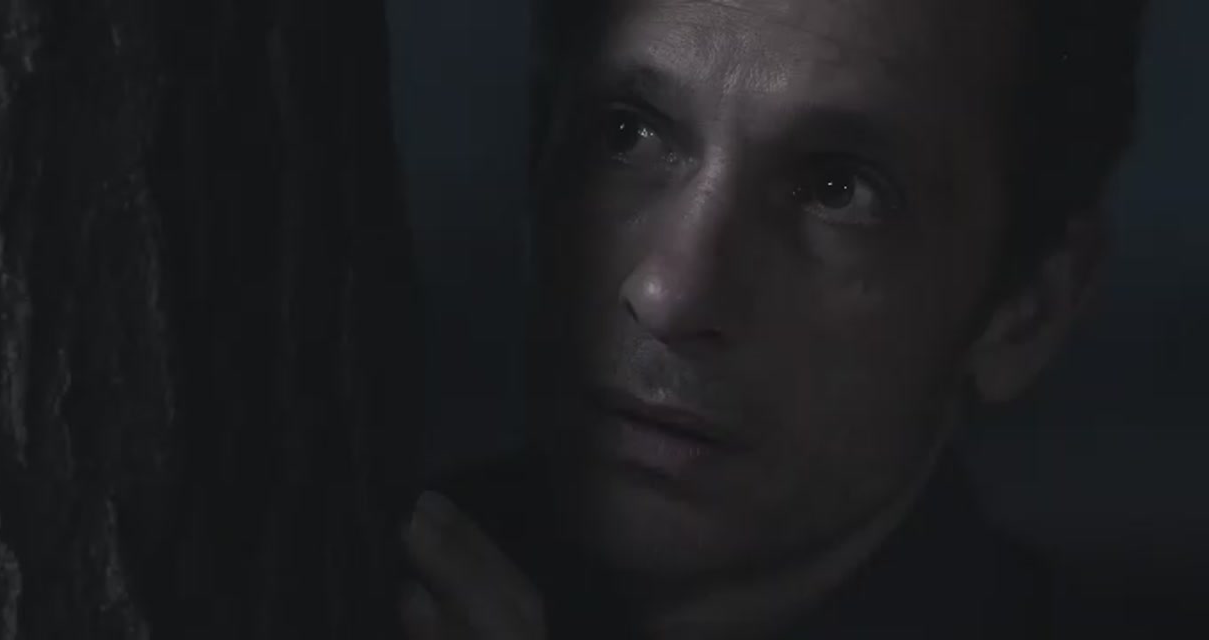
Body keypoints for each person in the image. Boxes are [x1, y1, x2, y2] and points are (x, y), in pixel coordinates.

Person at [400, 0, 1151, 637]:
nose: (671, 295)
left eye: (838, 189)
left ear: (1026, 312)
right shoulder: (356, 568)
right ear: (541, 152)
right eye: (628, 135)